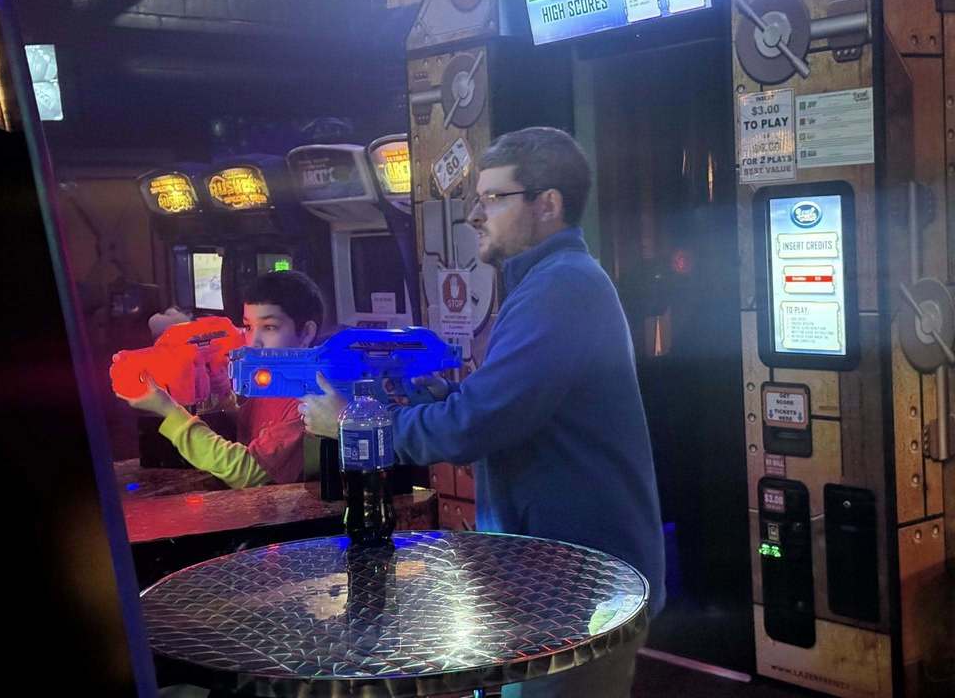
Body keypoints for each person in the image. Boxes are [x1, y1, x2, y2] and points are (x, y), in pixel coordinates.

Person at [301, 127, 665, 698]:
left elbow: (476, 425)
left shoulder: (560, 288)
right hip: (555, 578)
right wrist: (419, 394)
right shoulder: (547, 284)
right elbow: (501, 409)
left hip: (583, 585)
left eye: (493, 198)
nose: (475, 215)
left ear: (548, 204)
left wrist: (357, 425)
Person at [116, 270, 324, 488]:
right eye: (248, 327)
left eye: (269, 327)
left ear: (306, 333)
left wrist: (170, 411)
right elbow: (254, 430)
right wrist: (225, 398)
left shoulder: (310, 400)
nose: (254, 342)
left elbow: (246, 473)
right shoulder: (270, 383)